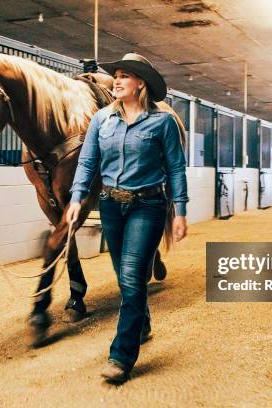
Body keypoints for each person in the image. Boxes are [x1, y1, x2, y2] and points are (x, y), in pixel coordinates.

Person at [66, 53, 188, 383]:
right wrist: (77, 198)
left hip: (147, 206)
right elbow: (87, 163)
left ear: (141, 84)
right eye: (116, 75)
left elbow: (176, 168)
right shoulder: (101, 121)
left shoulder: (161, 123)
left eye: (125, 76)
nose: (116, 80)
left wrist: (181, 211)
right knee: (124, 277)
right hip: (110, 206)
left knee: (133, 276)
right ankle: (142, 322)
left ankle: (121, 355)